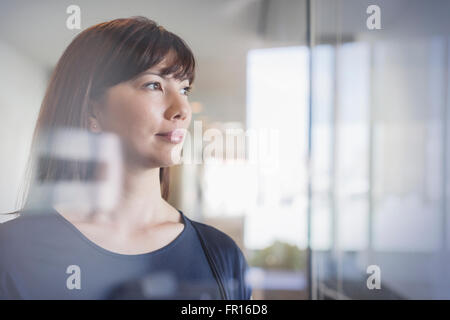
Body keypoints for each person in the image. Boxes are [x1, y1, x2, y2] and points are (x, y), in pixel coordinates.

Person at [0, 16, 252, 300]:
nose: (182, 109)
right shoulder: (10, 254)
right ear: (93, 109)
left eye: (184, 89)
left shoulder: (221, 256)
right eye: (154, 85)